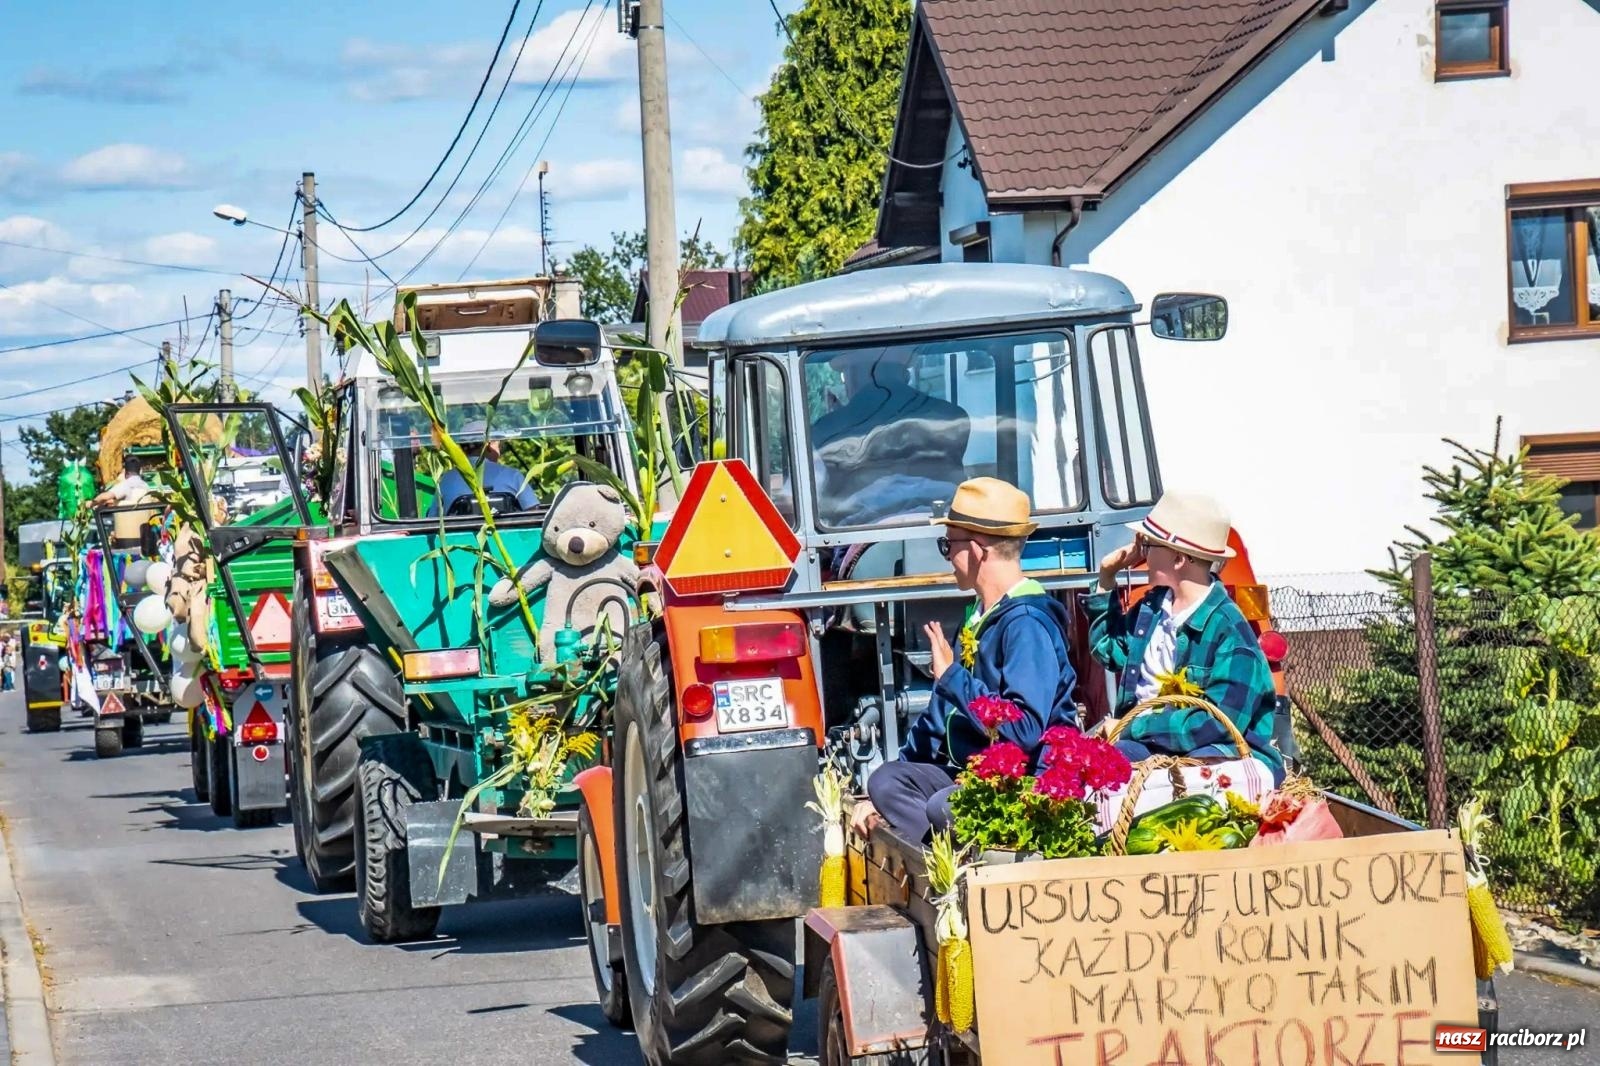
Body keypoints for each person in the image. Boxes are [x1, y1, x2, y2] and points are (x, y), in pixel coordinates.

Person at [851, 478, 1078, 841]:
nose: (946, 557)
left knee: (944, 807)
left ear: (976, 550)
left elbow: (1026, 730)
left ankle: (952, 870)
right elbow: (939, 717)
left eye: (948, 545)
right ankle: (943, 861)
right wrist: (880, 793)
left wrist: (954, 677)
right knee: (887, 782)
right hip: (971, 772)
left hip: (1027, 779)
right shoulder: (978, 615)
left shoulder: (1027, 623)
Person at [1085, 491, 1284, 783]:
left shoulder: (1230, 630)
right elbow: (1107, 649)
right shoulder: (1153, 609)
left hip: (1212, 760)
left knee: (1100, 769)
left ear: (1178, 559)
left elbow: (1215, 726)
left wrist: (1129, 728)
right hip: (1146, 747)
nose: (1140, 554)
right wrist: (1106, 576)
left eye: (1148, 544)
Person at [810, 348, 970, 526]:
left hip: (857, 539)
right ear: (904, 374)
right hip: (950, 532)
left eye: (845, 376)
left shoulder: (825, 430)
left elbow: (817, 501)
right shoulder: (953, 416)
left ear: (854, 376)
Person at [428, 419, 538, 517]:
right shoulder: (513, 476)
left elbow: (433, 519)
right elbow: (534, 514)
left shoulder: (447, 480)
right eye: (498, 445)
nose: (499, 451)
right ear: (488, 445)